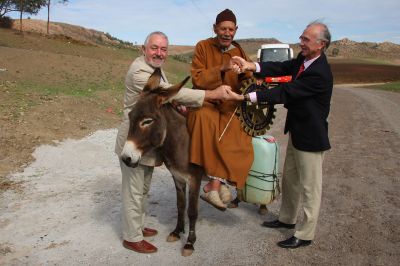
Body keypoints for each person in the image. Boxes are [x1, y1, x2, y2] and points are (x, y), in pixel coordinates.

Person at [115, 31, 230, 254]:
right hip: (136, 136)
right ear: (144, 48)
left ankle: (138, 225)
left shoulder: (155, 70)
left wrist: (180, 108)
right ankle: (132, 236)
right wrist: (209, 94)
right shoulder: (140, 71)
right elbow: (170, 95)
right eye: (154, 48)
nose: (159, 53)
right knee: (133, 190)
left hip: (147, 139)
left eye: (163, 49)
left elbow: (168, 103)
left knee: (143, 188)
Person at [227, 21, 333, 249]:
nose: (301, 42)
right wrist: (251, 65)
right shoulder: (304, 61)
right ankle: (287, 219)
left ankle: (305, 234)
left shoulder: (319, 73)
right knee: (291, 180)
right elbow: (281, 67)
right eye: (302, 37)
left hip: (311, 138)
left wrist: (249, 98)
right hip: (297, 132)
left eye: (306, 39)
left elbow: (287, 92)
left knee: (310, 187)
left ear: (321, 44)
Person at [186, 9, 253, 211]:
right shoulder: (203, 46)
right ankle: (214, 185)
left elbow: (248, 79)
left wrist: (246, 73)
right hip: (206, 100)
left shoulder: (239, 51)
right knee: (204, 119)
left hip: (229, 104)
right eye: (223, 28)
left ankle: (217, 183)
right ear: (215, 28)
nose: (227, 33)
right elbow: (197, 78)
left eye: (231, 29)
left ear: (236, 30)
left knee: (238, 130)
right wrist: (222, 68)